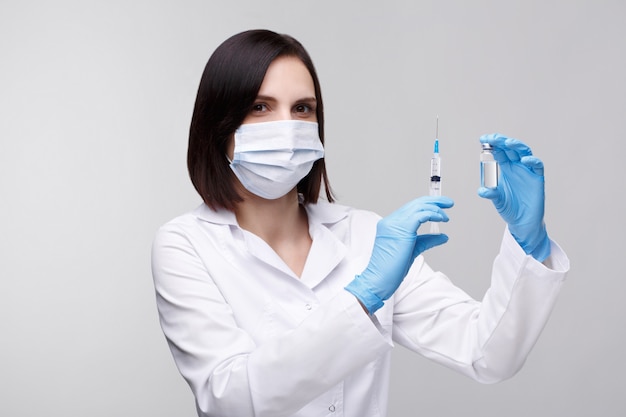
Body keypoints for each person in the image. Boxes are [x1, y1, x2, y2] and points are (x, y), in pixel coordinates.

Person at [151, 29, 569, 417]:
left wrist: (527, 241)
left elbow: (488, 353)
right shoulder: (185, 245)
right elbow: (230, 398)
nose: (287, 126)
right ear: (218, 125)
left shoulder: (368, 235)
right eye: (260, 107)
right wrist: (363, 295)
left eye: (302, 109)